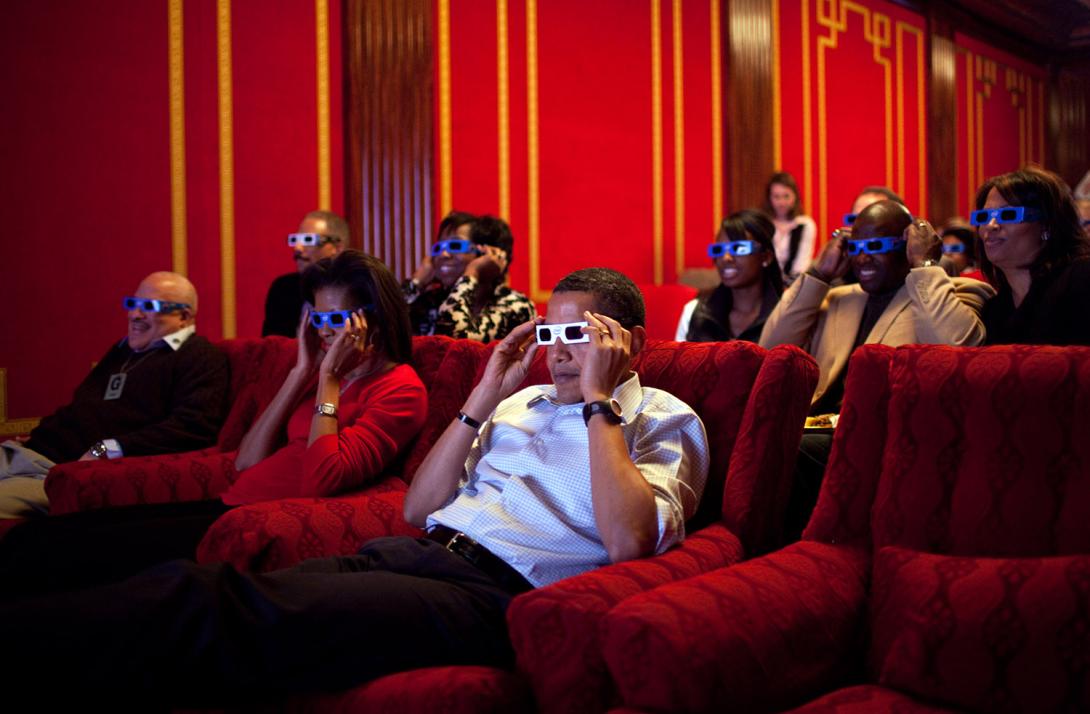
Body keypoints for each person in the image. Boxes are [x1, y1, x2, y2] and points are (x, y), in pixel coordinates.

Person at [0, 268, 709, 708]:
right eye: (550, 335)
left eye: (579, 334)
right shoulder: (517, 403)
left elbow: (626, 542)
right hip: (415, 552)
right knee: (200, 582)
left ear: (630, 341)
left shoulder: (663, 417)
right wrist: (488, 392)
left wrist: (597, 399)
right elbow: (419, 508)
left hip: (492, 592)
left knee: (214, 604)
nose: (559, 353)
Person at [0, 251, 427, 595]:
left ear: (374, 319)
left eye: (336, 320)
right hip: (229, 500)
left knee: (61, 557)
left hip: (247, 522)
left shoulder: (399, 389)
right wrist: (301, 374)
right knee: (39, 537)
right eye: (317, 319)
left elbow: (322, 478)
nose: (325, 333)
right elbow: (247, 460)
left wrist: (328, 382)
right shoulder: (321, 375)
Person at [759, 200, 995, 540]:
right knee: (761, 441)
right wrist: (818, 274)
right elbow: (772, 348)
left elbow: (959, 353)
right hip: (819, 428)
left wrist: (926, 265)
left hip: (885, 437)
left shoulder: (956, 292)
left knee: (790, 452)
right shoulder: (838, 297)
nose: (863, 257)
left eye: (878, 246)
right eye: (856, 247)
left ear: (908, 244)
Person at [0, 271, 229, 518]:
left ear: (183, 316)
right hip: (26, 453)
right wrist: (38, 436)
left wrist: (104, 449)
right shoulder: (122, 351)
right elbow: (83, 406)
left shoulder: (199, 356)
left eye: (149, 307)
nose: (134, 315)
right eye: (132, 304)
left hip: (58, 473)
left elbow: (193, 427)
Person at [974, 166, 1090, 345]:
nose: (991, 225)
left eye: (1008, 214)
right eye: (983, 217)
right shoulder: (993, 310)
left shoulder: (1081, 277)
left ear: (1047, 225)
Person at [403, 212, 536, 342]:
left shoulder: (516, 305)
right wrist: (416, 283)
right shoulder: (427, 302)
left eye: (455, 246)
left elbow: (455, 339)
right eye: (438, 247)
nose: (443, 254)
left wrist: (472, 273)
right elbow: (385, 332)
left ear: (485, 254)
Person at [675, 210, 784, 342]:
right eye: (718, 250)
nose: (726, 258)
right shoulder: (694, 312)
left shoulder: (785, 314)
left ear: (766, 257)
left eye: (738, 248)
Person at [263, 210, 350, 337]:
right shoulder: (282, 289)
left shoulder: (356, 288)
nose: (298, 248)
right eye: (296, 240)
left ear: (337, 248)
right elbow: (271, 347)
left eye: (308, 240)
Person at [764, 172, 817, 281]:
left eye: (786, 196)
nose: (781, 202)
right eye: (776, 197)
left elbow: (801, 265)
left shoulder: (805, 225)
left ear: (795, 197)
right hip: (767, 283)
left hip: (794, 283)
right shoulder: (764, 224)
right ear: (769, 198)